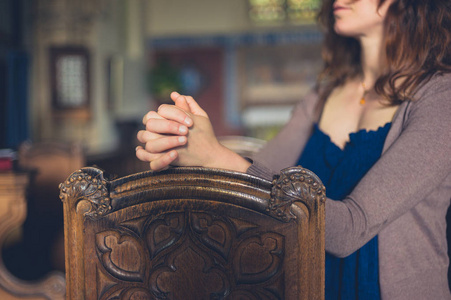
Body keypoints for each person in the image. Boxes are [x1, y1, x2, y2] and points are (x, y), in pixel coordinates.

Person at [136, 0, 451, 299]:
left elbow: (350, 228)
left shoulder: (440, 98)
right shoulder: (322, 96)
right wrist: (180, 145)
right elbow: (255, 180)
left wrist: (216, 155)